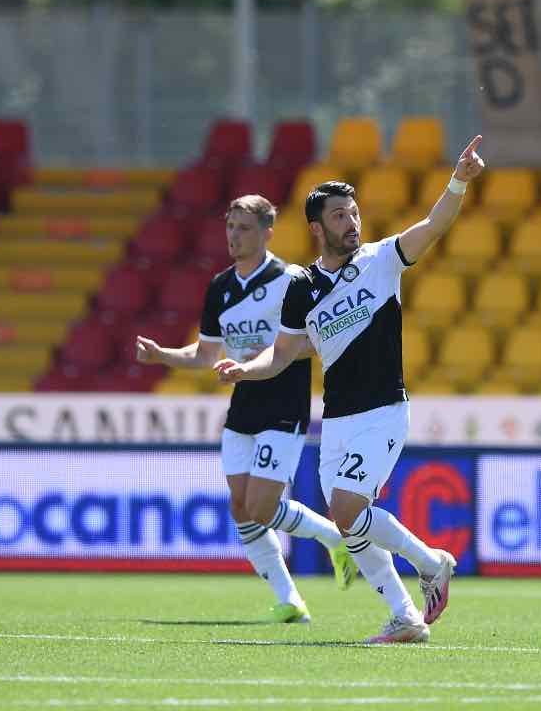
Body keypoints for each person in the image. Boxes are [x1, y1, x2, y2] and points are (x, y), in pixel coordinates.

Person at [215, 136, 486, 643]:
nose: (352, 221)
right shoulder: (300, 289)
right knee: (348, 524)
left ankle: (431, 563)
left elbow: (434, 226)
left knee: (344, 508)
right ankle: (406, 618)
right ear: (317, 228)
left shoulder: (383, 259)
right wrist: (245, 370)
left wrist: (458, 182)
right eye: (340, 215)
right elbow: (284, 353)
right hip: (336, 416)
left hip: (383, 409)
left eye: (355, 212)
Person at [137, 194, 357, 623]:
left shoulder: (290, 280)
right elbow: (205, 355)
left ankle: (334, 537)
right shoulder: (221, 288)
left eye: (244, 228)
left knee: (260, 506)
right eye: (230, 227)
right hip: (243, 402)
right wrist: (162, 354)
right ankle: (290, 600)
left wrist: (266, 356)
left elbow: (317, 340)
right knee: (240, 507)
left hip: (284, 401)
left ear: (267, 233)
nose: (234, 236)